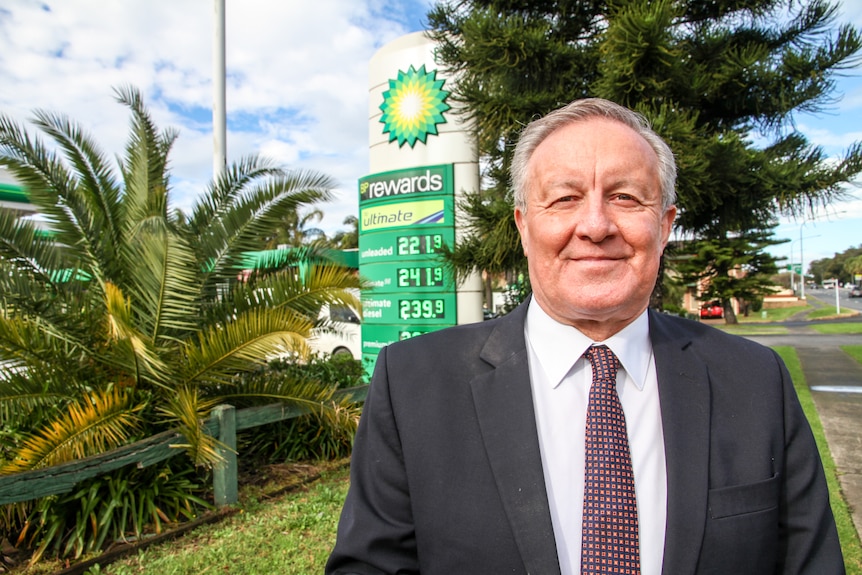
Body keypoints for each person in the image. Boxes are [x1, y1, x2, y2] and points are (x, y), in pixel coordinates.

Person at [325, 98, 843, 574]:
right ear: (524, 226)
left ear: (664, 226)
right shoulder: (413, 384)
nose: (596, 225)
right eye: (565, 198)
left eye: (624, 197)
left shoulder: (755, 380)